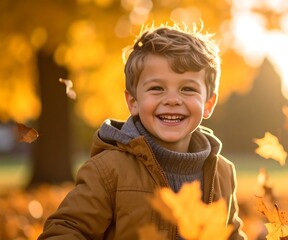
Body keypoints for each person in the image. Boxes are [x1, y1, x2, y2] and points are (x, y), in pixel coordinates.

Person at [38, 23, 247, 240]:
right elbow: (64, 229)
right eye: (157, 88)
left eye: (188, 89)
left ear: (208, 104)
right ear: (133, 102)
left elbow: (230, 234)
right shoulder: (109, 170)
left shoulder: (221, 172)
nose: (173, 100)